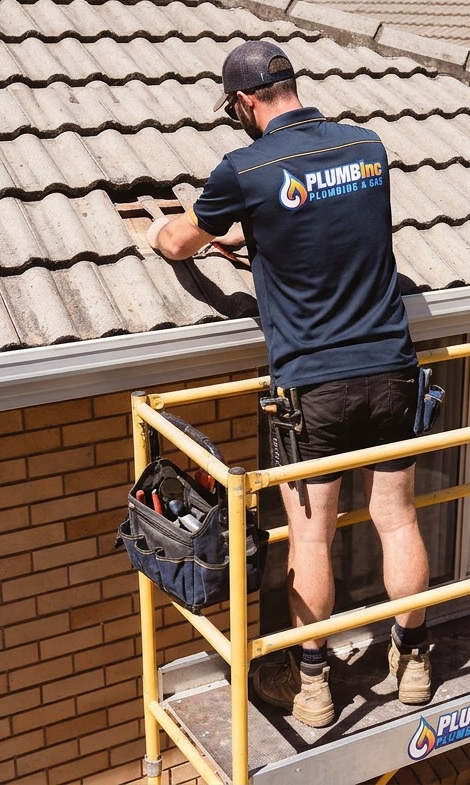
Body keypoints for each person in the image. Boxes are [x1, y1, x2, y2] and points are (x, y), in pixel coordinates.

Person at [147, 40, 432, 729]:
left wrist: (163, 231)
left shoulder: (243, 168)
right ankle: (414, 661)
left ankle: (313, 686)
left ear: (245, 102)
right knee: (398, 519)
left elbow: (180, 242)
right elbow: (331, 227)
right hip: (391, 370)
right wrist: (259, 240)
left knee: (311, 540)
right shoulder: (367, 148)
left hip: (314, 388)